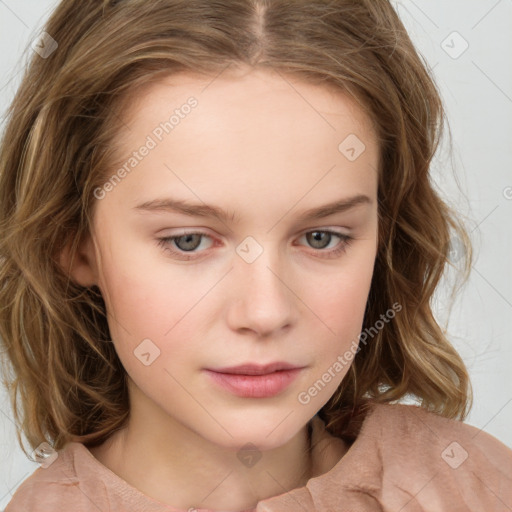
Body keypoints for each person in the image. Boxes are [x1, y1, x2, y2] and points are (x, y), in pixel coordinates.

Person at [0, 1, 511, 511]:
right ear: (71, 240)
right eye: (189, 241)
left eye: (321, 237)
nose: (265, 312)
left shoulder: (478, 487)